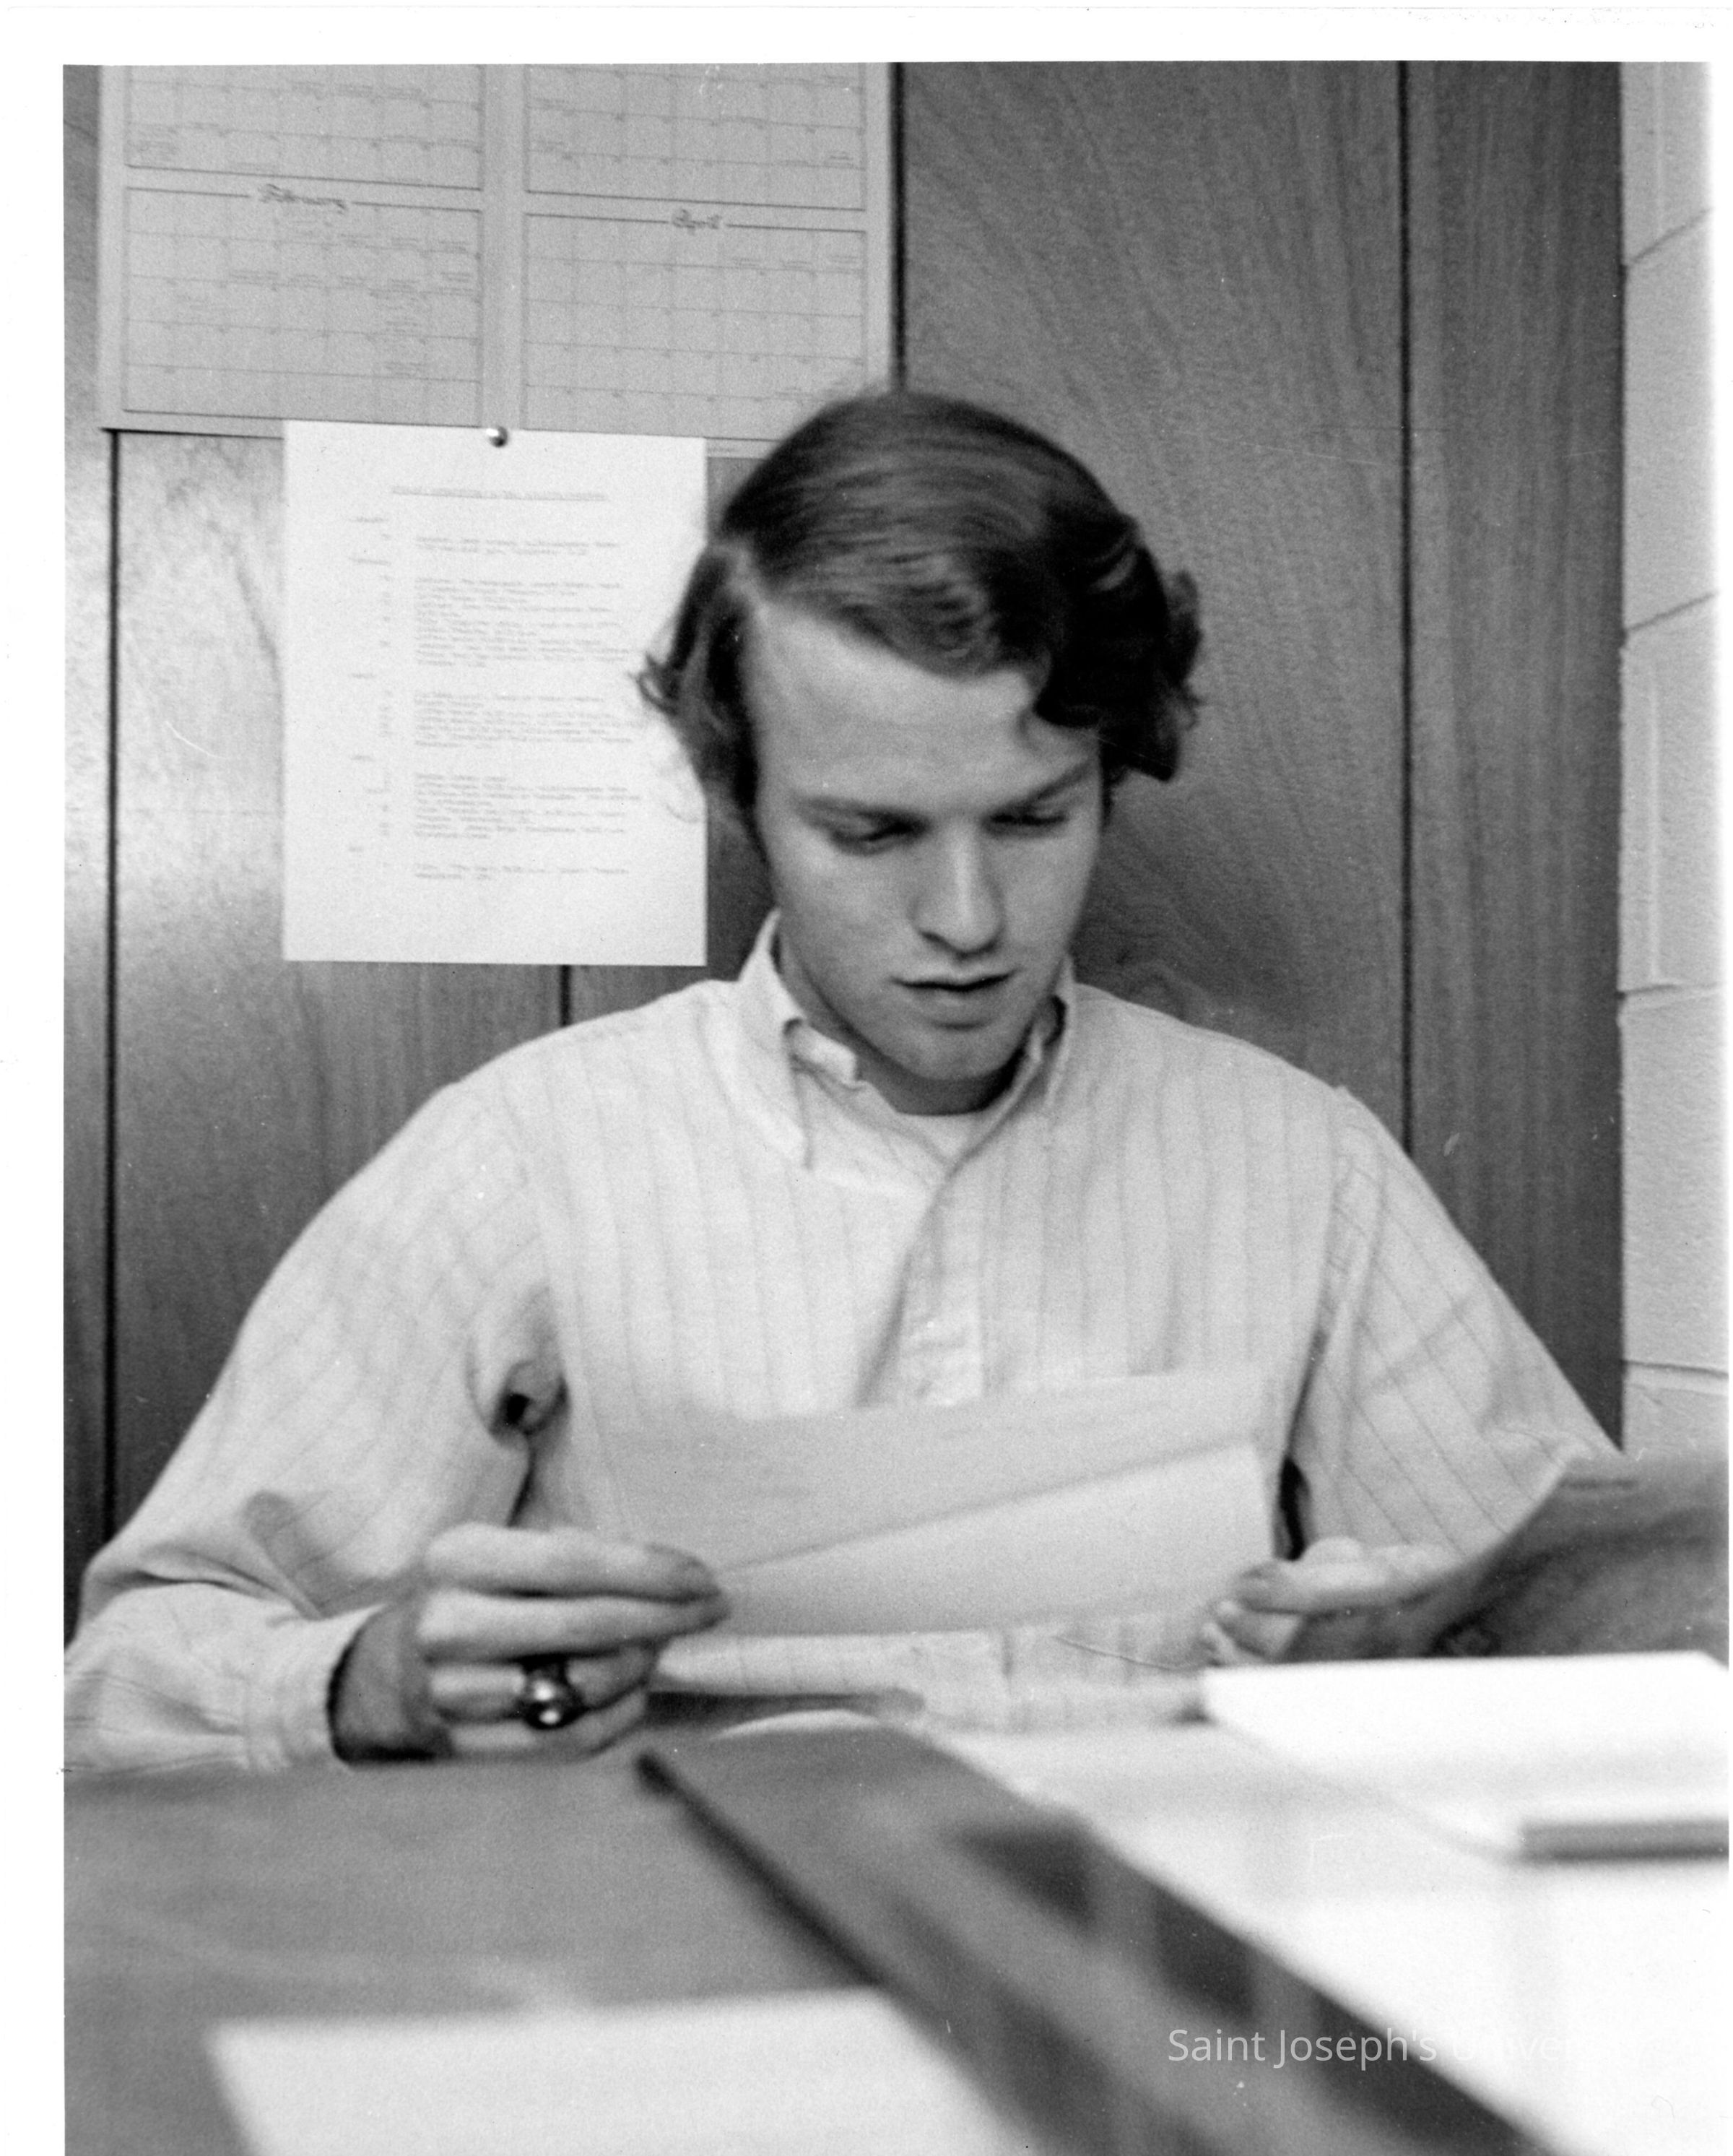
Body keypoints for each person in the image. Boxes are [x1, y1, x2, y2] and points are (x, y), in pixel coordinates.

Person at [64, 391, 1609, 1772]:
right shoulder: (525, 1159)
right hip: (688, 1949)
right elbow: (118, 1685)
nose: (968, 919)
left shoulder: (1300, 1166)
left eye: (1033, 819)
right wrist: (377, 1682)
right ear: (737, 791)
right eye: (871, 834)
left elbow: (1611, 1641)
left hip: (1157, 1935)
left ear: (1111, 773)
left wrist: (1424, 1656)